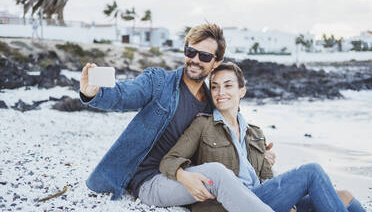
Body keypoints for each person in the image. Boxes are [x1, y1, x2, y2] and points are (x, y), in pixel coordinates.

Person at [80, 23, 274, 211]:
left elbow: (232, 133)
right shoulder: (159, 82)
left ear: (216, 62)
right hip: (148, 180)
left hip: (183, 176)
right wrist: (93, 94)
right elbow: (125, 95)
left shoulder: (211, 104)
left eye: (205, 56)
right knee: (219, 176)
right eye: (191, 52)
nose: (195, 60)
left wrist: (258, 155)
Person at [159, 62, 366, 212]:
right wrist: (183, 176)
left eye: (228, 85)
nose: (220, 92)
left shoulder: (255, 133)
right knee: (312, 171)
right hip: (231, 204)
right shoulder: (202, 125)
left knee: (345, 196)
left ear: (242, 91)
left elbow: (267, 179)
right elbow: (168, 160)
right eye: (215, 86)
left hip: (263, 198)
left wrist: (290, 202)